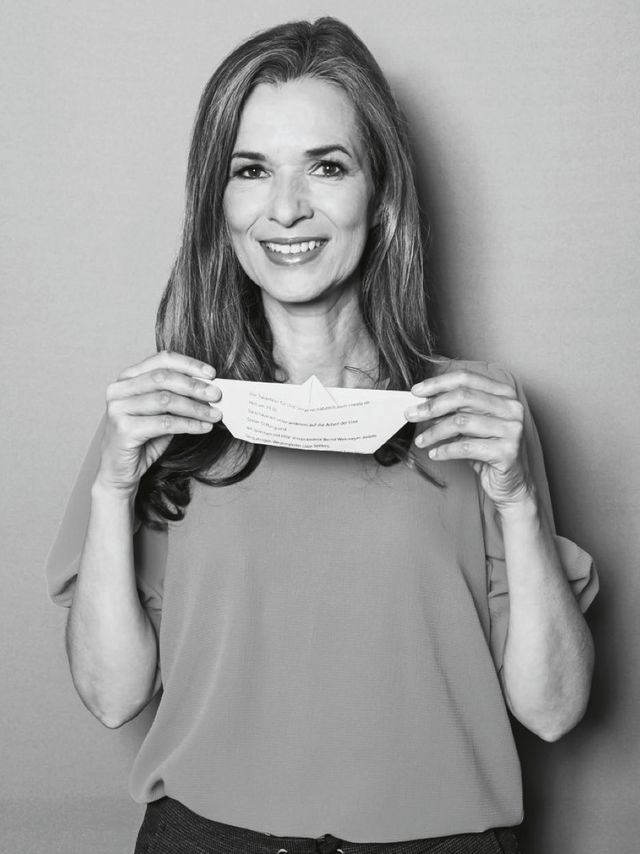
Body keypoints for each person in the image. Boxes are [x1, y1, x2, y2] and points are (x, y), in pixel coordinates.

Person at [46, 17, 598, 854]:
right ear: (219, 203)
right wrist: (112, 487)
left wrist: (517, 499)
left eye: (327, 166)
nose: (286, 207)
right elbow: (112, 696)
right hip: (205, 838)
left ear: (379, 195)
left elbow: (553, 711)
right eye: (252, 170)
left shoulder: (475, 413)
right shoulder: (160, 413)